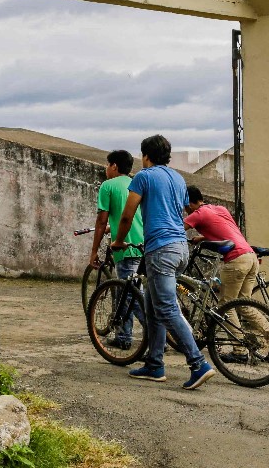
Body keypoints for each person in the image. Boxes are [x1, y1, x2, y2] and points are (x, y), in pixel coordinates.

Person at [110, 134, 216, 390]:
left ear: (145, 156)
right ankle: (154, 364)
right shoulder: (178, 179)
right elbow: (175, 211)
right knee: (151, 306)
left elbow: (127, 215)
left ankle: (198, 363)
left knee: (167, 308)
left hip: (161, 250)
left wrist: (119, 241)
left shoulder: (143, 177)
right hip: (180, 248)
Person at [183, 185, 269, 362]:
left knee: (225, 306)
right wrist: (203, 237)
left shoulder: (197, 214)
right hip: (250, 257)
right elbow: (228, 231)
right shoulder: (219, 209)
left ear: (188, 203)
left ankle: (239, 351)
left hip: (235, 260)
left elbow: (177, 229)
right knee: (244, 305)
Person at [87, 149, 144, 349]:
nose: (106, 169)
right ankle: (124, 336)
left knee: (131, 296)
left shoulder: (108, 186)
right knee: (130, 293)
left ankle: (153, 338)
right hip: (143, 245)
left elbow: (101, 221)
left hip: (125, 246)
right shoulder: (136, 184)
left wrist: (94, 251)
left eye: (107, 164)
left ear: (114, 166)